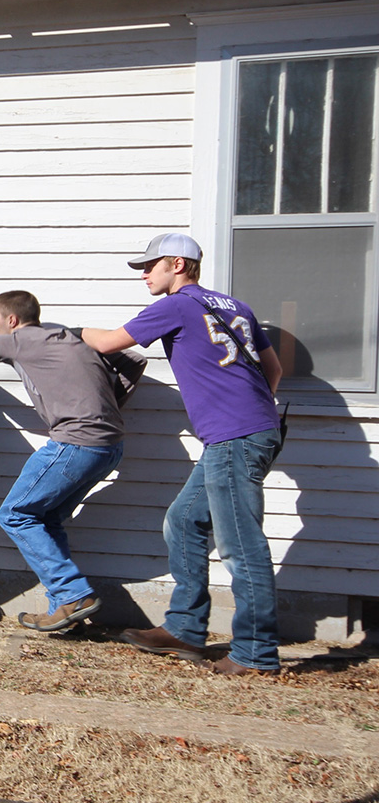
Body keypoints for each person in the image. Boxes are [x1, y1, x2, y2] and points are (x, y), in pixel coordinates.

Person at [81, 233, 284, 676]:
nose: (143, 275)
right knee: (185, 520)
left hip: (236, 436)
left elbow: (108, 343)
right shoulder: (236, 306)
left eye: (149, 266)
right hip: (248, 431)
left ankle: (256, 652)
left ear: (177, 263)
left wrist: (71, 330)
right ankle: (185, 630)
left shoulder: (176, 305)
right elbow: (274, 369)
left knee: (241, 546)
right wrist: (253, 409)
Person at [0, 290, 146, 632]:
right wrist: (105, 408)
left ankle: (73, 594)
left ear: (11, 320)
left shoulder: (19, 340)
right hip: (109, 447)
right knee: (47, 518)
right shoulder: (67, 336)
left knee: (15, 514)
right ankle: (65, 614)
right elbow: (134, 361)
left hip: (76, 444)